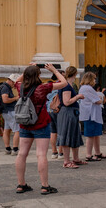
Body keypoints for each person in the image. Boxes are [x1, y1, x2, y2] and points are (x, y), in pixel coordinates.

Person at [14, 63, 68, 195]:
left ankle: (21, 184)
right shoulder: (43, 88)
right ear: (38, 75)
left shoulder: (21, 87)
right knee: (41, 154)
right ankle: (45, 186)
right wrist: (54, 70)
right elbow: (64, 82)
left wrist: (28, 68)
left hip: (25, 123)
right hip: (41, 123)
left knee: (22, 154)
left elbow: (17, 80)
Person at [56, 66, 85, 168]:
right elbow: (66, 102)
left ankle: (75, 158)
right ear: (74, 74)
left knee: (74, 134)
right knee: (67, 135)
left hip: (72, 113)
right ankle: (66, 161)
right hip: (67, 113)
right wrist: (78, 96)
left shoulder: (68, 85)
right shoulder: (67, 86)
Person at [78, 72, 106, 161]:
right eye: (94, 79)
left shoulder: (84, 88)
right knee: (90, 135)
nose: (95, 81)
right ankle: (89, 154)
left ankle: (97, 152)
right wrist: (100, 98)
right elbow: (98, 101)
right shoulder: (87, 88)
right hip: (91, 114)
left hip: (91, 113)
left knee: (96, 134)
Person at [0, 73, 21, 156]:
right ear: (11, 80)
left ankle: (7, 148)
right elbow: (5, 100)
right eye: (15, 83)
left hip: (5, 111)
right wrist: (16, 98)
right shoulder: (5, 88)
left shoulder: (2, 87)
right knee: (17, 130)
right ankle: (15, 149)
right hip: (10, 111)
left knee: (7, 130)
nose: (15, 85)